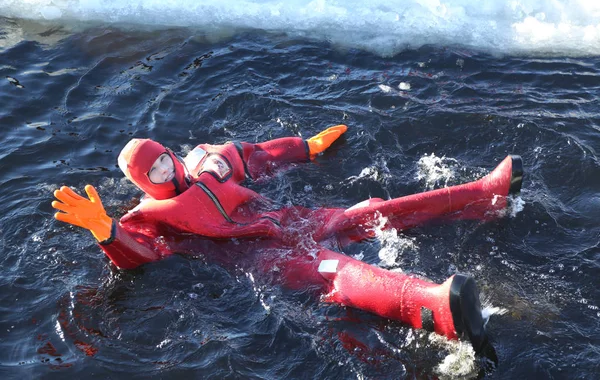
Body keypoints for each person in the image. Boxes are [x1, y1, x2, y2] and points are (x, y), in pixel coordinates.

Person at [52, 125, 523, 351]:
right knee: (335, 272)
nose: (164, 170)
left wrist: (306, 147)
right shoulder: (147, 218)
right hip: (257, 259)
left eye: (162, 159)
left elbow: (251, 155)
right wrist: (107, 232)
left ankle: (484, 195)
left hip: (285, 219)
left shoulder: (203, 162)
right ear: (141, 182)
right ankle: (435, 307)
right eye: (151, 170)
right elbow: (139, 256)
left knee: (369, 213)